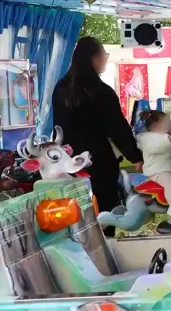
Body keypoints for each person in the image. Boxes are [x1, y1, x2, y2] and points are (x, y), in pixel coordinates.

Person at [52, 37, 143, 227]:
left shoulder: (60, 89)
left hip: (68, 164)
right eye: (105, 55)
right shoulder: (101, 92)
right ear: (95, 58)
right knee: (105, 213)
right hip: (99, 163)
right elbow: (117, 128)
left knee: (77, 215)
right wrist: (135, 156)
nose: (106, 59)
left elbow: (59, 129)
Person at [136, 110, 171, 219]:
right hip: (157, 170)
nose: (169, 125)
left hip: (166, 168)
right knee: (169, 183)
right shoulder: (149, 138)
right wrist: (168, 140)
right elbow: (155, 148)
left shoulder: (163, 136)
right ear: (156, 125)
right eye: (166, 123)